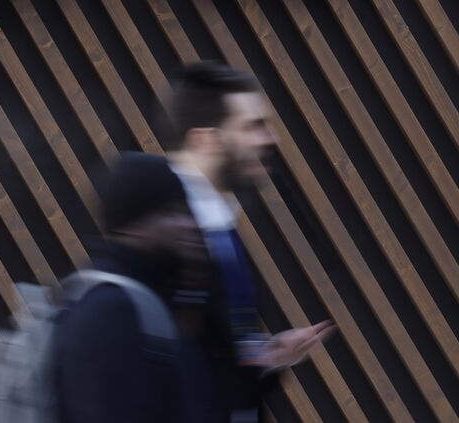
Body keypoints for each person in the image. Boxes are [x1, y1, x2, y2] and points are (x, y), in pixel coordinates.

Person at [163, 61, 334, 422]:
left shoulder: (217, 220)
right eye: (253, 126)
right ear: (205, 139)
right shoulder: (167, 228)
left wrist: (265, 354)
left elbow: (205, 344)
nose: (271, 138)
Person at [54, 151, 217, 422]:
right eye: (171, 213)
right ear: (133, 225)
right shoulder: (112, 310)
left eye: (188, 213)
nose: (191, 225)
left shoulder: (153, 297)